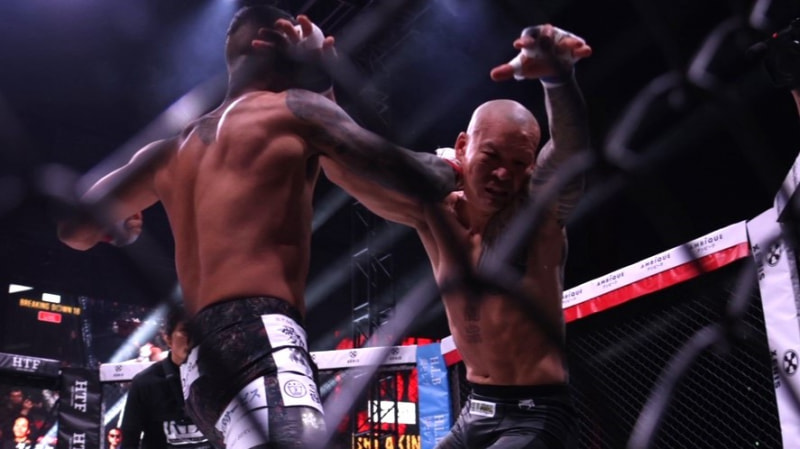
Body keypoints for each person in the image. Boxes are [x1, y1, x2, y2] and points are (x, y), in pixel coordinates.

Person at [57, 5, 458, 449]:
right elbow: (417, 176)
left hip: (198, 367)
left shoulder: (169, 150)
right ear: (269, 42)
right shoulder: (294, 111)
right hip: (261, 338)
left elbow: (75, 228)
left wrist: (121, 230)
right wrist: (461, 161)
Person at [322, 24, 592, 448]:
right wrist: (320, 86)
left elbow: (570, 152)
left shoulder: (538, 216)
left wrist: (558, 79)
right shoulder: (437, 215)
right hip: (476, 410)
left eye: (519, 163)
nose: (503, 174)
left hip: (534, 414)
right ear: (463, 146)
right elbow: (343, 168)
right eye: (491, 156)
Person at [120, 306, 211, 449]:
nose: (193, 339)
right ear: (168, 338)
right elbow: (129, 441)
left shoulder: (219, 379)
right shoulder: (144, 383)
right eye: (186, 331)